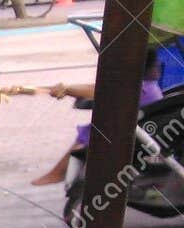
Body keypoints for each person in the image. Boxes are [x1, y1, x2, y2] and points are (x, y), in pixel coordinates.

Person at [33, 50, 163, 186]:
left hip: (131, 136)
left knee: (94, 132)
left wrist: (66, 89)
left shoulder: (138, 88)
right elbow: (96, 88)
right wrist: (66, 89)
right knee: (94, 129)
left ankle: (58, 173)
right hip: (134, 129)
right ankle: (59, 173)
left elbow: (97, 90)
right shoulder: (147, 86)